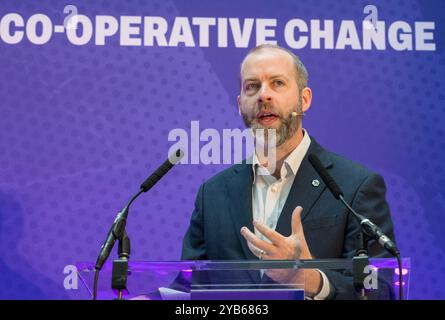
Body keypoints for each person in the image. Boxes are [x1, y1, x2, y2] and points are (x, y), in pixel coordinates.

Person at [180, 44, 396, 300]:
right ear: (240, 105)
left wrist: (308, 277)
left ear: (304, 100)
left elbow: (379, 289)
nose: (263, 96)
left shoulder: (354, 186)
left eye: (278, 83)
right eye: (252, 86)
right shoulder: (213, 194)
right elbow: (187, 285)